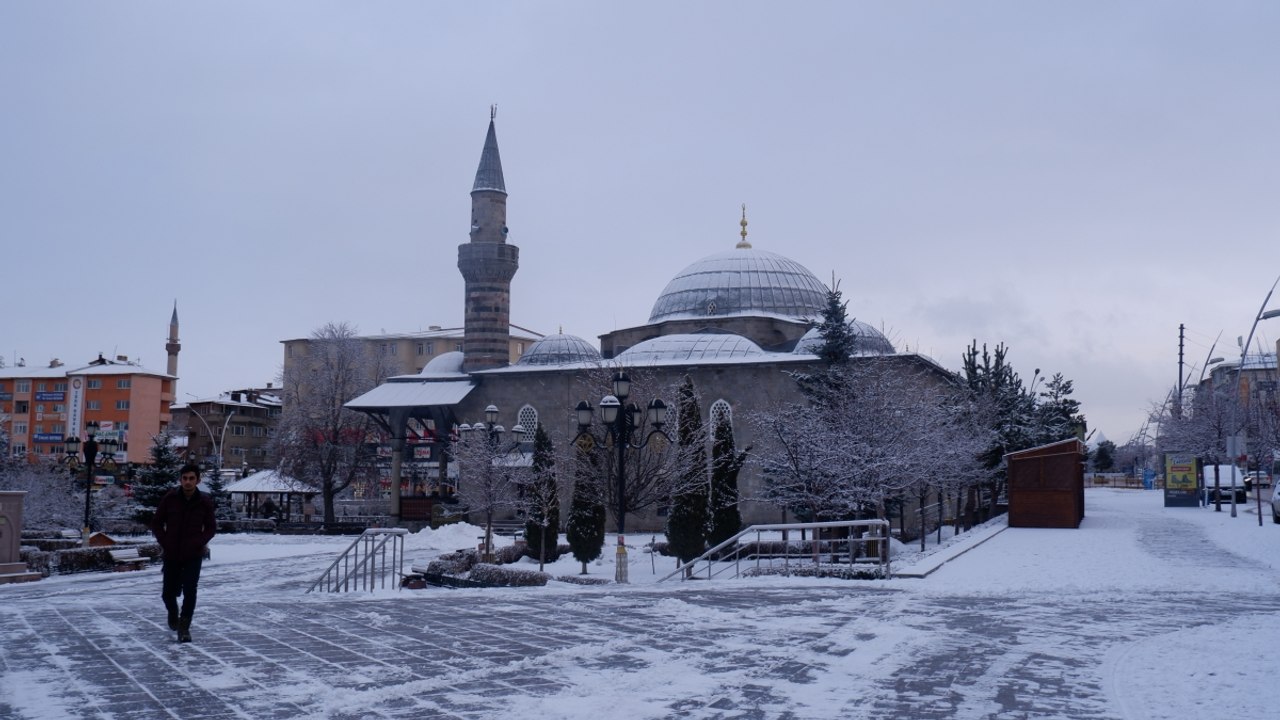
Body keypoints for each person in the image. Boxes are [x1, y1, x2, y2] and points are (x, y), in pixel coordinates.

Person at [150, 464, 216, 643]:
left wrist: (199, 542)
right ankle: (173, 611)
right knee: (167, 593)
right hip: (172, 552)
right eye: (185, 478)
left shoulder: (204, 501)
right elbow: (157, 523)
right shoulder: (170, 499)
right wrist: (165, 541)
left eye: (191, 478)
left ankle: (184, 626)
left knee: (190, 590)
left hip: (193, 554)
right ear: (180, 480)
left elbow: (211, 527)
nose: (188, 482)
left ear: (198, 480)